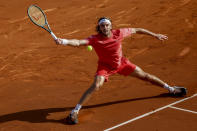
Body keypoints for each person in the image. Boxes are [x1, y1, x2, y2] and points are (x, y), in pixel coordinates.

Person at [55, 17, 187, 124]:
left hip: (121, 63)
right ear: (99, 28)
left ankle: (171, 89)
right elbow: (78, 42)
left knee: (146, 76)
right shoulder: (94, 39)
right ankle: (75, 111)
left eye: (107, 25)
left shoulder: (119, 33)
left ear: (111, 26)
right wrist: (64, 41)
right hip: (105, 67)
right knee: (96, 85)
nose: (105, 27)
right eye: (102, 26)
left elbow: (138, 29)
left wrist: (155, 35)